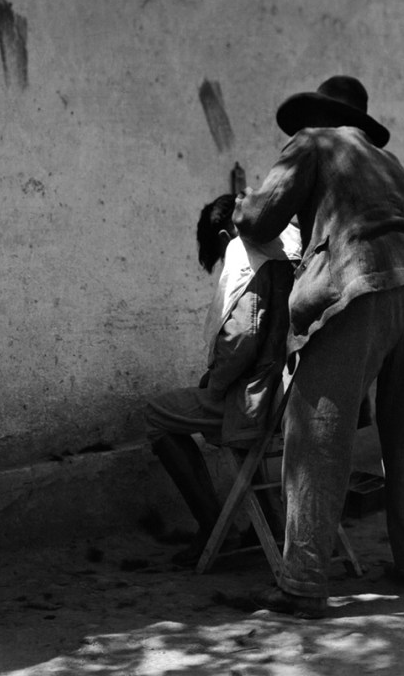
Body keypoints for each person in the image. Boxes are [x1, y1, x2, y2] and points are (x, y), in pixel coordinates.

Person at [233, 75, 404, 619]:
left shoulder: (312, 142)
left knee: (316, 433)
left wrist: (242, 203)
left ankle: (304, 582)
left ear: (320, 113)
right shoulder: (390, 162)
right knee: (403, 431)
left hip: (361, 283)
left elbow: (261, 218)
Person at [144, 193, 301, 565]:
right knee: (245, 428)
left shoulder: (245, 255)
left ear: (221, 235)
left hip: (259, 402)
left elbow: (242, 335)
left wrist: (213, 384)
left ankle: (215, 529)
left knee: (156, 415)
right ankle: (272, 526)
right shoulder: (288, 248)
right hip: (290, 398)